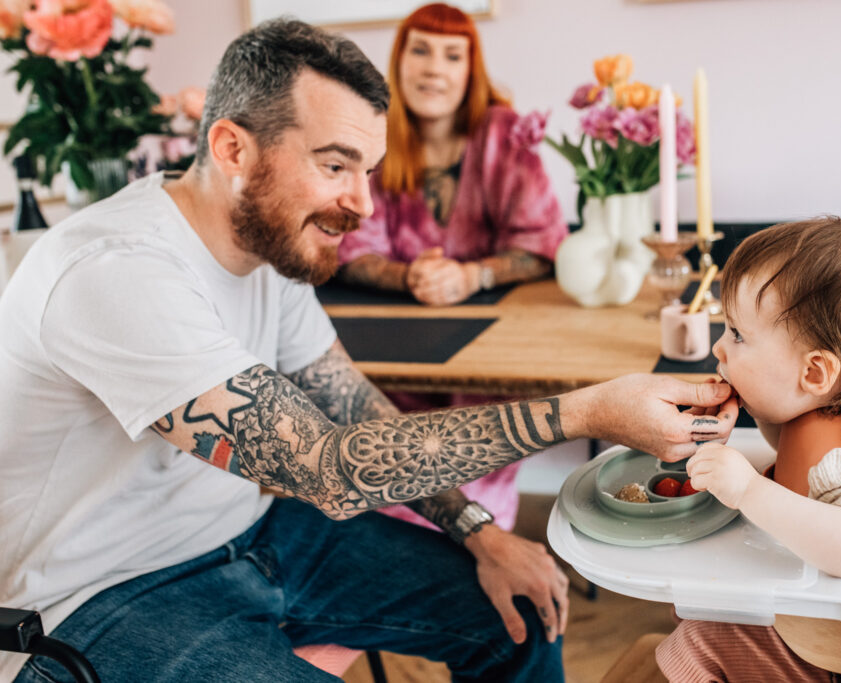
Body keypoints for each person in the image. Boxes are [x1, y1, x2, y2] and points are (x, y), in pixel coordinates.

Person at [0, 19, 738, 683]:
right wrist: (586, 410)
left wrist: (476, 528)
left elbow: (353, 409)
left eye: (368, 170)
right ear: (231, 147)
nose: (365, 204)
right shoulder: (115, 270)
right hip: (94, 597)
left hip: (251, 535)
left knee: (518, 616)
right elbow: (333, 466)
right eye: (335, 165)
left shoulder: (271, 248)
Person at [655, 218, 841, 682]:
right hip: (827, 617)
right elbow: (801, 456)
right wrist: (765, 410)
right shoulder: (837, 405)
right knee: (703, 607)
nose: (719, 346)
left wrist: (749, 490)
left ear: (815, 374)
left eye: (737, 334)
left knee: (696, 641)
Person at [335, 2, 569, 533]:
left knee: (466, 488)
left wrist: (472, 276)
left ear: (471, 70)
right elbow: (352, 250)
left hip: (487, 363)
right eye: (419, 50)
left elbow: (542, 243)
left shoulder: (506, 134)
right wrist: (408, 276)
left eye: (451, 55)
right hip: (395, 358)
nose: (434, 69)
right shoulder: (373, 136)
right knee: (379, 470)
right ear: (398, 62)